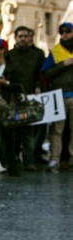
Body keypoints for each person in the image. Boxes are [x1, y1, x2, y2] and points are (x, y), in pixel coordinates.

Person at [9, 26, 46, 171]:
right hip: (13, 97)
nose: (23, 38)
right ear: (15, 38)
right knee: (14, 132)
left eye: (25, 36)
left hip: (30, 96)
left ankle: (29, 161)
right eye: (20, 36)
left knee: (29, 132)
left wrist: (38, 87)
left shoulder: (36, 55)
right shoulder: (9, 54)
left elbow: (39, 75)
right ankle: (15, 158)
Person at [42, 22, 73, 174]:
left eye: (68, 31)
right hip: (59, 95)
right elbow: (46, 74)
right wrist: (63, 65)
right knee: (56, 131)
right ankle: (54, 159)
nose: (64, 34)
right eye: (62, 32)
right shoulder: (56, 51)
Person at [0, 39, 24, 176]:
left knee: (9, 137)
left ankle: (12, 166)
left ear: (3, 50)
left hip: (7, 104)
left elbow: (19, 85)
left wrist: (6, 83)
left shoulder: (13, 66)